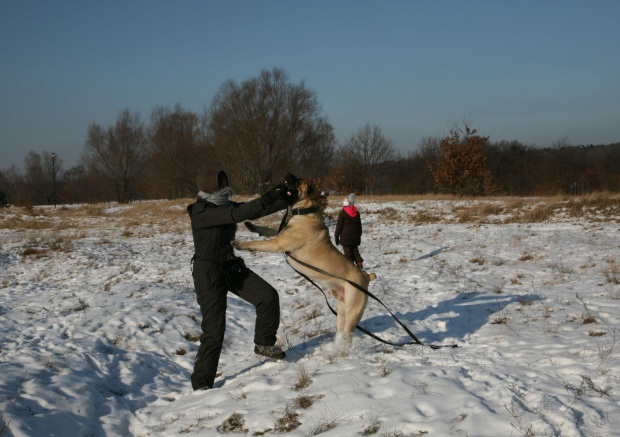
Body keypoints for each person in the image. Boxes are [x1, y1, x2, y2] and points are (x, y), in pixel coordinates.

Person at [187, 170, 297, 391]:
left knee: (267, 296)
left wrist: (283, 198)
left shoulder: (224, 205)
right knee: (214, 330)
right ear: (210, 188)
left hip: (230, 266)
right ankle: (201, 384)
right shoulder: (201, 212)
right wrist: (267, 196)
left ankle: (264, 343)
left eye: (226, 183)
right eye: (222, 185)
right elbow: (241, 213)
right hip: (208, 272)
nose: (226, 188)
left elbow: (254, 210)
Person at [334, 193, 364, 270]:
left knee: (348, 254)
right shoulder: (356, 213)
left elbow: (339, 226)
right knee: (355, 252)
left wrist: (336, 236)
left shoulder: (343, 213)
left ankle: (351, 268)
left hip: (345, 238)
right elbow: (359, 226)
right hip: (354, 238)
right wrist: (359, 237)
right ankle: (359, 265)